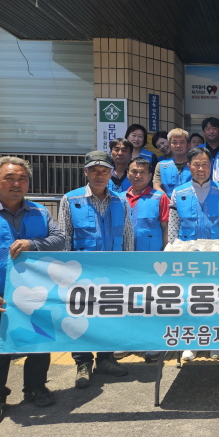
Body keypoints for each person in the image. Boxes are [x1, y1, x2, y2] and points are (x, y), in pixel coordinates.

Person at [0, 157, 65, 426]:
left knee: (39, 342)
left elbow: (60, 240)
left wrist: (33, 243)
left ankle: (36, 388)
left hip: (38, 294)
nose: (16, 183)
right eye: (9, 178)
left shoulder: (41, 213)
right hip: (0, 296)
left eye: (22, 178)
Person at [58, 151, 133, 388]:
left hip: (113, 272)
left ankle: (106, 359)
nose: (99, 175)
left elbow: (128, 237)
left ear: (111, 173)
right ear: (85, 172)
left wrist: (128, 271)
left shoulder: (121, 201)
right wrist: (65, 274)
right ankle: (82, 363)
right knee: (80, 318)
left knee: (109, 317)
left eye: (104, 171)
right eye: (94, 170)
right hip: (81, 273)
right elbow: (64, 237)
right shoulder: (70, 200)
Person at [168, 147, 219, 361]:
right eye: (196, 164)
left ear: (211, 166)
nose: (201, 168)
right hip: (190, 257)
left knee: (218, 298)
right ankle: (191, 342)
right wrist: (172, 252)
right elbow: (173, 227)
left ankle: (216, 340)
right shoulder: (179, 193)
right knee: (191, 299)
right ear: (189, 167)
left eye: (205, 164)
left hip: (217, 256)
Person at [121, 157, 170, 362]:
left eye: (142, 172)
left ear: (150, 176)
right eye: (134, 171)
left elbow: (166, 228)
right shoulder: (118, 198)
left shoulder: (160, 198)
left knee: (151, 302)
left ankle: (153, 342)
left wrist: (166, 254)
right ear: (127, 174)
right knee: (127, 301)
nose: (138, 175)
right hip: (125, 260)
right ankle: (127, 341)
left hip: (153, 261)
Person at [153, 128, 192, 198]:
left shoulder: (196, 164)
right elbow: (156, 186)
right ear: (170, 144)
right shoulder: (161, 165)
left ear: (188, 144)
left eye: (182, 142)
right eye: (174, 142)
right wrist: (168, 201)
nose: (178, 145)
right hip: (168, 203)